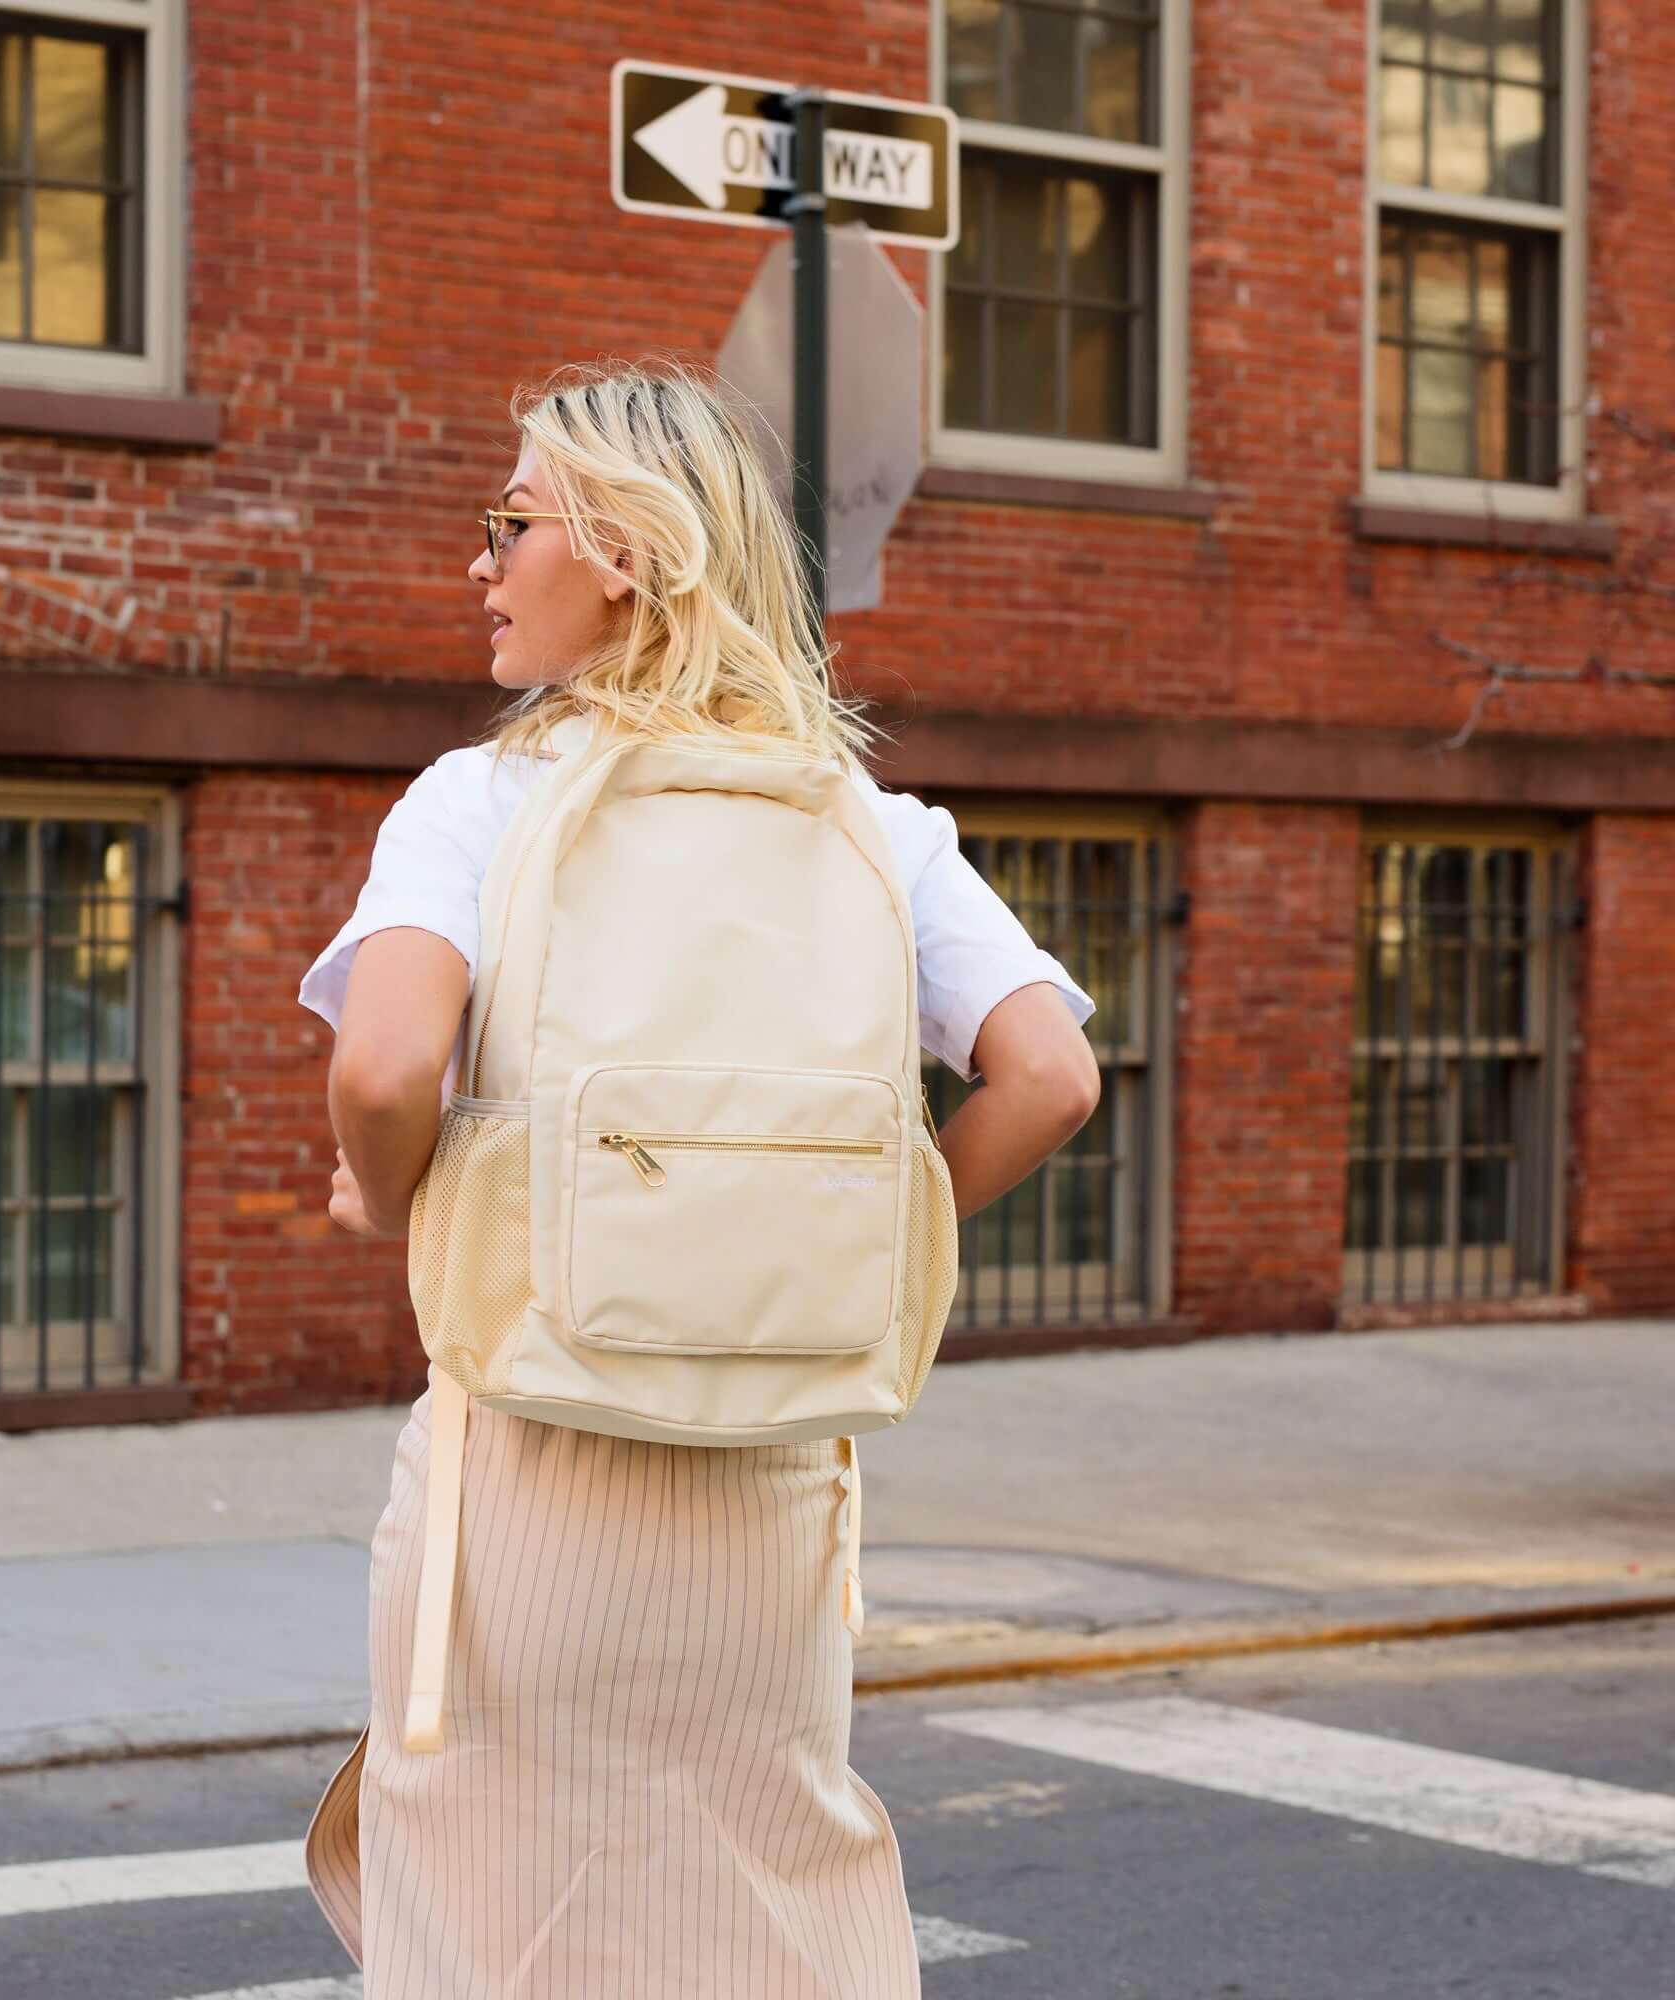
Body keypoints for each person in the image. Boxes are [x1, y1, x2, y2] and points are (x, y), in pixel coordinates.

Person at [296, 358, 1101, 1998]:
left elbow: (384, 1070)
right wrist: (881, 1228)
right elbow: (1054, 1076)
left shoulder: (482, 804)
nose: (480, 560)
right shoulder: (875, 829)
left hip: (526, 1472)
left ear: (624, 552)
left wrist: (386, 1197)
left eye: (511, 520)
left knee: (495, 1916)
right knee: (756, 1911)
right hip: (770, 1489)